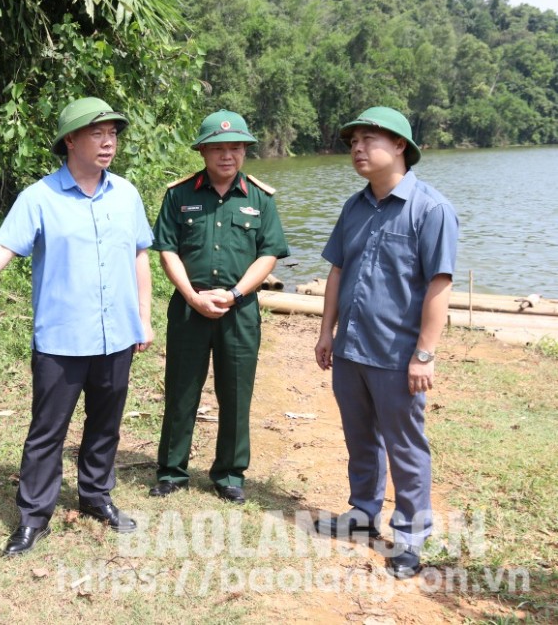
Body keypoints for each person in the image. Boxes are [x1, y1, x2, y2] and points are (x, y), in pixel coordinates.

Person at [0, 97, 153, 556]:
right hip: (62, 339)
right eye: (97, 133)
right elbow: (3, 248)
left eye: (113, 134)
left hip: (116, 335)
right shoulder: (40, 197)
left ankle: (96, 498)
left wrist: (144, 319)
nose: (108, 142)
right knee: (47, 431)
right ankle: (33, 518)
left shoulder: (126, 194)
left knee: (106, 425)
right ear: (71, 141)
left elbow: (140, 254)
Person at [314, 106, 459, 579]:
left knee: (406, 448)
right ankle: (361, 513)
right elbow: (338, 269)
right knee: (360, 438)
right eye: (353, 141)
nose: (357, 148)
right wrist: (325, 331)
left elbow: (439, 285)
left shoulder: (430, 209)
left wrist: (424, 354)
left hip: (398, 357)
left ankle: (412, 537)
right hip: (351, 349)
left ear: (400, 146)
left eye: (369, 139)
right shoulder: (354, 207)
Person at [149, 110, 290, 504]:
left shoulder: (260, 198)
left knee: (236, 391)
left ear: (244, 151)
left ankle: (229, 473)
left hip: (240, 310)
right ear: (203, 152)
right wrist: (193, 296)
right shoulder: (179, 195)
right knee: (181, 390)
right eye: (217, 148)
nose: (226, 155)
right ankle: (172, 471)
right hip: (188, 307)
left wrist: (236, 294)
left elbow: (268, 255)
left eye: (235, 148)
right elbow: (168, 250)